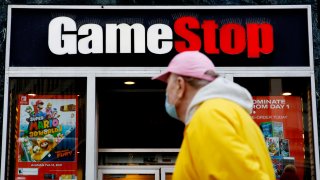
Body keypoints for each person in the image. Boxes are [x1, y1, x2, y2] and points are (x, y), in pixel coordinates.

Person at [152, 51, 275, 180]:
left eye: (168, 85)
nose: (166, 92)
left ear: (180, 85)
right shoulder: (228, 113)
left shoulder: (208, 117)